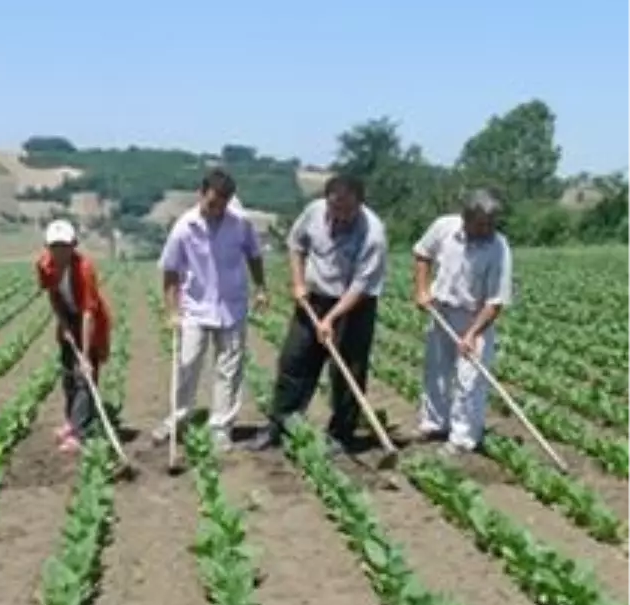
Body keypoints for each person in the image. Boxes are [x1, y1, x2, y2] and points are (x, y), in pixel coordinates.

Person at [251, 174, 387, 455]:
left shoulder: (373, 233)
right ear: (327, 201)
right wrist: (299, 282)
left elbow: (361, 285)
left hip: (354, 305)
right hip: (314, 298)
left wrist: (332, 319)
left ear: (360, 203)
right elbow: (296, 244)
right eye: (335, 208)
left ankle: (341, 434)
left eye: (347, 210)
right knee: (294, 361)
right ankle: (280, 424)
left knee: (347, 370)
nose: (340, 215)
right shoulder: (314, 212)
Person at [153, 169, 268, 453]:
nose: (216, 209)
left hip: (232, 306)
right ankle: (177, 419)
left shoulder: (240, 224)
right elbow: (170, 272)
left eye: (222, 203)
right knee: (187, 364)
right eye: (211, 202)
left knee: (229, 369)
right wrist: (171, 311)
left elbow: (254, 255)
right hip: (196, 306)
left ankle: (221, 427)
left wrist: (261, 287)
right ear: (201, 194)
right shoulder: (184, 227)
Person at [413, 189, 513, 455]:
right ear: (465, 218)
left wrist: (471, 334)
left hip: (475, 315)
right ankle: (434, 424)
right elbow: (423, 254)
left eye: (492, 224)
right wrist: (422, 290)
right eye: (481, 224)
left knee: (470, 378)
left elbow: (495, 301)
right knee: (436, 371)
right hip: (441, 310)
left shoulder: (498, 248)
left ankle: (463, 438)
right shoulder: (444, 227)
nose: (487, 229)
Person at [36, 219, 113, 453]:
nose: (59, 252)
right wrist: (63, 325)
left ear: (73, 246)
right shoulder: (44, 264)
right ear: (48, 247)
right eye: (54, 246)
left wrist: (87, 355)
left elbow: (89, 313)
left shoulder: (85, 269)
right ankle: (71, 421)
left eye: (64, 246)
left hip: (91, 322)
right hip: (68, 317)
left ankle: (80, 433)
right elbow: (52, 295)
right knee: (68, 373)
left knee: (84, 376)